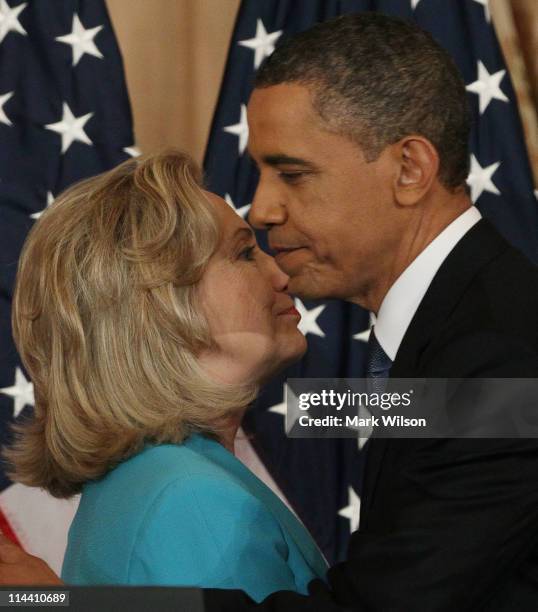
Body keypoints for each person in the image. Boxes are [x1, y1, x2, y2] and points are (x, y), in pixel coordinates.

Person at [1, 12, 537, 611]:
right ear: (162, 311)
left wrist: (67, 604)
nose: (261, 210)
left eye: (291, 173)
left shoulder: (499, 354)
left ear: (410, 169)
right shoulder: (459, 340)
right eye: (239, 253)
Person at [2, 150, 328, 600]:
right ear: (159, 307)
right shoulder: (190, 499)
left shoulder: (164, 478)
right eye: (244, 252)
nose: (280, 274)